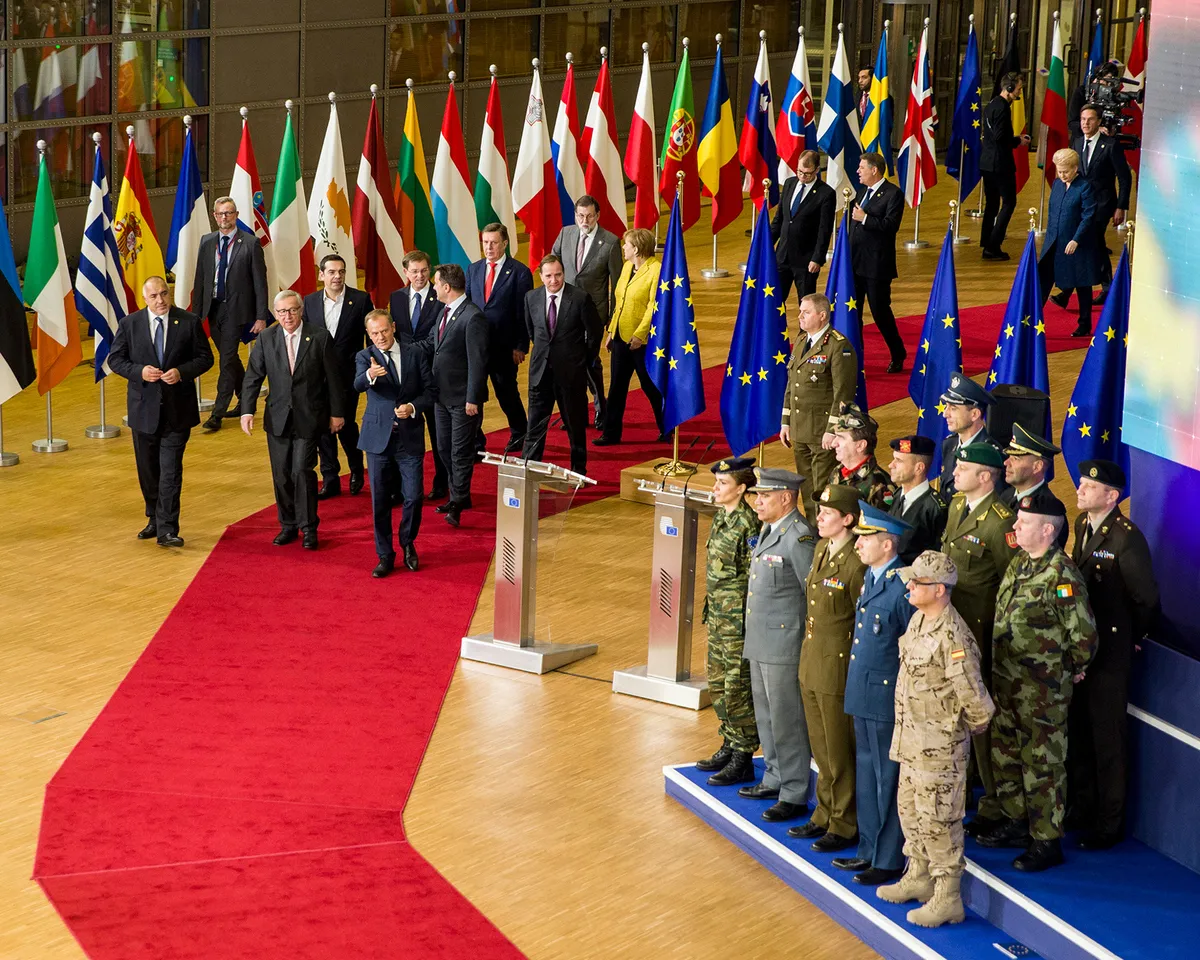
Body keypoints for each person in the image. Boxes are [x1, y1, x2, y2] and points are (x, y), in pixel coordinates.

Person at [977, 488, 1097, 873]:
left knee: (1042, 765)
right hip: (1007, 684)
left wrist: (1069, 669)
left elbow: (1084, 635)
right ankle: (1016, 822)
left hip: (1041, 692)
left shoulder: (1061, 576)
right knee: (1006, 754)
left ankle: (1046, 840)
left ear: (1047, 531)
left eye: (1023, 523)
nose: (1015, 526)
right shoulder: (1019, 564)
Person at [878, 551, 994, 929]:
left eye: (917, 582)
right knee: (911, 812)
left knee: (940, 820)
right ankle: (918, 876)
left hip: (939, 748)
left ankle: (948, 898)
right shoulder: (918, 620)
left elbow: (975, 697)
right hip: (911, 740)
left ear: (940, 590)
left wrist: (962, 730)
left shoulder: (953, 636)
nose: (909, 586)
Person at [1068, 459, 1159, 850]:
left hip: (1111, 652)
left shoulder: (1125, 537)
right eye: (1082, 483)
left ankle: (1109, 823)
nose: (1080, 489)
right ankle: (1083, 808)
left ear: (1112, 495)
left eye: (1090, 486)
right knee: (1082, 733)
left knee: (1108, 739)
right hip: (1084, 648)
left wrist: (1132, 636)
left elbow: (1147, 599)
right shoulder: (1081, 526)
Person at [834, 503, 915, 886]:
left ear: (887, 545)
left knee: (888, 778)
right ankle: (867, 848)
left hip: (885, 696)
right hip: (863, 690)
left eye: (867, 539)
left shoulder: (902, 588)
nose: (859, 545)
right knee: (867, 774)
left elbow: (910, 647)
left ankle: (887, 858)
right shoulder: (871, 577)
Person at [940, 442, 1018, 837]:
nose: (955, 471)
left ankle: (994, 802)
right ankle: (969, 788)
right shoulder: (957, 506)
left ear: (985, 476)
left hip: (982, 635)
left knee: (983, 720)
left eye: (963, 466)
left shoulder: (999, 522)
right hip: (954, 630)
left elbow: (1011, 583)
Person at [107, 276, 214, 548]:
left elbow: (205, 358)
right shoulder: (130, 324)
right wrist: (139, 372)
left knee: (170, 471)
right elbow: (116, 360)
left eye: (164, 294)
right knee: (148, 470)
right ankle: (153, 518)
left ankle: (168, 528)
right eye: (154, 296)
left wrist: (182, 372)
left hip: (177, 411)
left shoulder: (188, 321)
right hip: (144, 412)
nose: (161, 300)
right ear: (145, 299)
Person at [239, 290, 349, 551]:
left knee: (302, 471)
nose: (287, 316)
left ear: (301, 310)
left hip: (309, 417)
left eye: (292, 310)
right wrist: (246, 410)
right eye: (281, 312)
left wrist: (337, 413)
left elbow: (334, 379)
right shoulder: (266, 338)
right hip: (277, 418)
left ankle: (309, 527)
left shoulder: (320, 337)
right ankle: (288, 525)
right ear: (275, 314)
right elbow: (253, 376)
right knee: (282, 475)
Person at [738, 467, 818, 823]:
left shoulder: (798, 537)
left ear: (786, 498)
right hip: (762, 639)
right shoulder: (771, 529)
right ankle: (773, 776)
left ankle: (794, 791)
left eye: (765, 496)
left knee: (788, 720)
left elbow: (811, 593)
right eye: (757, 495)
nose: (757, 502)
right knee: (767, 716)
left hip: (785, 643)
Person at [789, 484, 865, 852]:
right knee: (819, 747)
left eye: (827, 513)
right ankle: (824, 811)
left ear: (848, 519)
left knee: (838, 749)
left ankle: (844, 821)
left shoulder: (856, 561)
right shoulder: (822, 548)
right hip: (812, 660)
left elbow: (858, 621)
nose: (818, 517)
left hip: (836, 667)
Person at [694, 457, 761, 787]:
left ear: (742, 488)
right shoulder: (722, 517)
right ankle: (729, 741)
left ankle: (743, 755)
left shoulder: (749, 525)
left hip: (737, 622)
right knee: (718, 683)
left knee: (737, 687)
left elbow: (754, 577)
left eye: (722, 484)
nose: (715, 489)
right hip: (719, 617)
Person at [354, 309, 435, 578]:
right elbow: (356, 385)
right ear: (369, 334)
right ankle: (385, 555)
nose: (380, 337)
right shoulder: (365, 357)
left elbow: (430, 391)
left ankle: (407, 542)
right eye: (374, 333)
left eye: (384, 331)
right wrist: (370, 376)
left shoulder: (415, 353)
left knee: (413, 496)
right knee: (379, 500)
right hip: (377, 440)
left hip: (409, 438)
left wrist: (413, 406)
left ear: (394, 327)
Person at [193, 196, 269, 431]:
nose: (224, 217)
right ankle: (246, 400)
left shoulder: (250, 243)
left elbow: (260, 282)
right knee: (231, 359)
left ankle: (217, 414)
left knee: (226, 361)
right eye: (220, 213)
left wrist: (261, 316)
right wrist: (195, 317)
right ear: (215, 216)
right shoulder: (207, 242)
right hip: (213, 308)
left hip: (237, 310)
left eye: (228, 213)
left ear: (236, 215)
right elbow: (201, 280)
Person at [779, 293, 858, 521]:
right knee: (806, 486)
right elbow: (791, 385)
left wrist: (832, 429)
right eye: (800, 311)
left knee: (822, 489)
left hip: (822, 431)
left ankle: (822, 532)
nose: (800, 316)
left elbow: (843, 393)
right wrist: (786, 422)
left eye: (806, 312)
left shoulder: (838, 346)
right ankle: (815, 532)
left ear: (822, 316)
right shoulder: (803, 341)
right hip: (800, 429)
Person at [521, 255, 602, 476]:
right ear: (541, 276)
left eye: (558, 274)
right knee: (535, 425)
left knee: (575, 426)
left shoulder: (579, 298)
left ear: (563, 273)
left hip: (571, 374)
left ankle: (578, 470)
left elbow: (594, 334)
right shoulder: (531, 298)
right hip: (540, 373)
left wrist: (582, 359)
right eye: (548, 276)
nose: (554, 280)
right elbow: (532, 332)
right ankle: (529, 469)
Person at [302, 254, 373, 500]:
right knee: (322, 428)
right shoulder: (308, 302)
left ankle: (356, 470)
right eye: (331, 272)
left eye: (341, 271)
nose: (337, 276)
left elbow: (369, 340)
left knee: (345, 424)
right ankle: (330, 477)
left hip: (348, 376)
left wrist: (368, 370)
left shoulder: (361, 299)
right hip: (317, 378)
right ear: (321, 275)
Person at [552, 195, 623, 431]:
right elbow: (552, 263)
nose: (585, 220)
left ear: (598, 216)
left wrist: (613, 320)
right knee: (571, 363)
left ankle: (600, 408)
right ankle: (577, 413)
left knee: (589, 362)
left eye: (590, 216)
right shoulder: (566, 234)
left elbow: (617, 285)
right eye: (581, 215)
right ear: (575, 215)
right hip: (565, 311)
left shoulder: (610, 242)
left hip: (593, 314)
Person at [429, 262, 488, 528]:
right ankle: (459, 494)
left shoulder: (472, 316)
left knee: (460, 452)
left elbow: (478, 362)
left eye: (435, 283)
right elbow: (433, 345)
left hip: (464, 399)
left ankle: (458, 500)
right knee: (443, 448)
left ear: (446, 287)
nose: (433, 287)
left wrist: (473, 398)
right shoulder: (445, 311)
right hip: (442, 396)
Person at [594, 227, 665, 446]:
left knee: (650, 387)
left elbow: (654, 307)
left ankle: (667, 426)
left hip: (642, 342)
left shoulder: (656, 270)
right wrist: (611, 331)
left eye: (626, 244)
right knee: (616, 388)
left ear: (637, 248)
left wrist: (639, 334)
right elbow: (619, 301)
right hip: (620, 337)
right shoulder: (626, 267)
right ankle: (611, 433)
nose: (623, 247)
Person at [467, 222, 531, 454]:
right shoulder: (473, 270)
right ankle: (475, 439)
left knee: (506, 392)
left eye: (494, 242)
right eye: (485, 242)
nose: (489, 247)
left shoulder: (520, 272)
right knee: (474, 393)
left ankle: (519, 432)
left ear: (505, 243)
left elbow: (522, 314)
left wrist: (521, 345)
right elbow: (467, 306)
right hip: (476, 347)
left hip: (504, 347)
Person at [391, 250, 448, 500]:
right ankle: (405, 487)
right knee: (405, 434)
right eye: (414, 271)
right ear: (406, 272)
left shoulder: (441, 296)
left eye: (424, 270)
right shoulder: (396, 298)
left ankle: (441, 482)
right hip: (406, 377)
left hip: (434, 374)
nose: (420, 276)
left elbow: (437, 337)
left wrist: (408, 351)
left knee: (438, 435)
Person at [1065, 103, 1131, 302]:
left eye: (1090, 119)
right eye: (1083, 119)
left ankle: (1072, 291)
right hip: (1081, 204)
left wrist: (1121, 206)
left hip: (1103, 204)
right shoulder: (1076, 142)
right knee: (1094, 243)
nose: (1085, 123)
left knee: (1090, 239)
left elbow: (1124, 178)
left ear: (1099, 121)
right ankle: (1105, 287)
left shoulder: (1110, 145)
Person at [847, 152, 906, 373]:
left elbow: (891, 226)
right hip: (855, 263)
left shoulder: (893, 194)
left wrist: (865, 219)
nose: (857, 171)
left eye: (861, 167)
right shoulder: (862, 192)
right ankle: (856, 357)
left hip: (876, 266)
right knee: (854, 312)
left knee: (880, 312)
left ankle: (898, 352)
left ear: (874, 170)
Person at [1039, 148, 1103, 338]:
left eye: (1065, 171)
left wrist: (1076, 239)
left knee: (1082, 284)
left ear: (1075, 168)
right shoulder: (1058, 184)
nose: (1062, 175)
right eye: (1059, 171)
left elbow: (1088, 215)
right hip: (1054, 242)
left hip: (1077, 244)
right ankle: (1032, 319)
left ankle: (1084, 324)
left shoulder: (1085, 187)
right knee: (1043, 280)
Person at [771, 149, 836, 309]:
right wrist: (766, 245)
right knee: (774, 301)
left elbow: (824, 230)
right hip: (783, 256)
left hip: (806, 260)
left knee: (806, 304)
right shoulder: (789, 184)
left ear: (816, 170)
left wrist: (817, 258)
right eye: (799, 171)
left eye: (807, 173)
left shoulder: (826, 193)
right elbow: (780, 219)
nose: (802, 176)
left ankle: (805, 334)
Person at [980, 73, 1031, 260]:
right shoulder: (1002, 108)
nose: (1019, 91)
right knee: (1009, 203)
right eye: (1018, 88)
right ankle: (993, 246)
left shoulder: (993, 103)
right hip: (1000, 164)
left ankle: (987, 242)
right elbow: (1000, 138)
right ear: (1009, 89)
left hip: (987, 162)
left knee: (992, 204)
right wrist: (1018, 140)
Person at [1001, 424, 1067, 548]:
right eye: (1009, 457)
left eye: (1015, 458)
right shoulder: (1006, 495)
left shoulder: (1048, 512)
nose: (1006, 463)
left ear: (1037, 467)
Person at [937, 374, 1002, 498]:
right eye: (946, 407)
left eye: (953, 408)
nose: (945, 414)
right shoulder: (949, 444)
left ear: (974, 414)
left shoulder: (990, 454)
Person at [886, 435, 948, 563]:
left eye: (899, 460)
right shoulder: (898, 495)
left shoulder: (935, 508)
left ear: (919, 468)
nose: (891, 465)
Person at [826, 401, 896, 509]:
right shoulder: (838, 472)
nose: (834, 443)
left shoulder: (879, 485)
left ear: (860, 445)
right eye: (835, 436)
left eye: (841, 437)